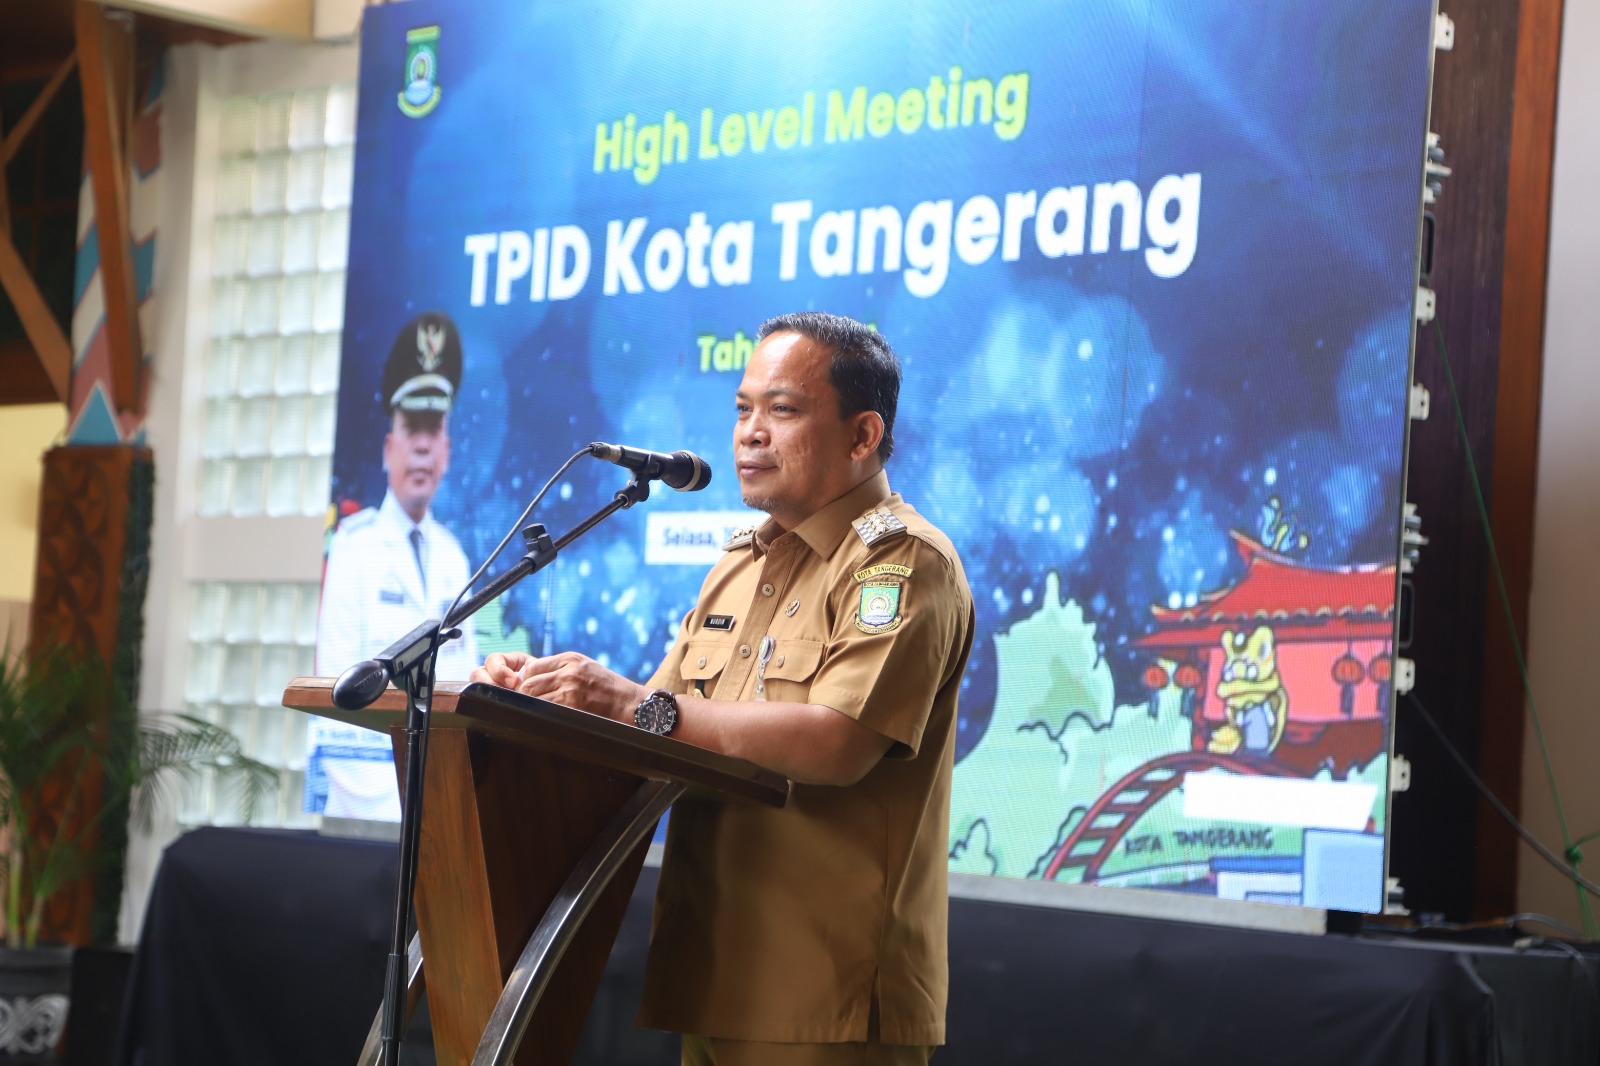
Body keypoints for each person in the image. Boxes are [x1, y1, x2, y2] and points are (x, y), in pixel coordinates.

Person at [472, 312, 974, 1065]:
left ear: (862, 436)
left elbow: (837, 742)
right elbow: (654, 729)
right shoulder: (740, 565)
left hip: (824, 996)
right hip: (712, 974)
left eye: (782, 409)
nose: (750, 434)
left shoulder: (901, 564)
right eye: (743, 410)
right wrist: (537, 696)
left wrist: (624, 702)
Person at [312, 311, 478, 819]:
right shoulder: (352, 549)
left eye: (434, 430)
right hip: (366, 813)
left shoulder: (455, 559)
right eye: (411, 428)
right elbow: (334, 702)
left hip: (439, 809)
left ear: (447, 450)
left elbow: (464, 697)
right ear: (389, 448)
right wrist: (406, 806)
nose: (422, 444)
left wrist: (443, 802)